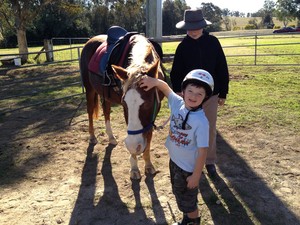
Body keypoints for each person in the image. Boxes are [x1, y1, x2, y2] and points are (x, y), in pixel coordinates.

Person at [139, 69, 214, 225]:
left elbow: (202, 151)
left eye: (199, 94)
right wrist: (154, 82)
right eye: (190, 91)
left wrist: (196, 175)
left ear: (205, 97)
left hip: (188, 169)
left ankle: (193, 221)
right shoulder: (178, 104)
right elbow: (166, 89)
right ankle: (188, 218)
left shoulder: (201, 122)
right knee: (179, 194)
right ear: (183, 91)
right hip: (174, 162)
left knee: (188, 200)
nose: (193, 96)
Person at [170, 9, 229, 177]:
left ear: (203, 26)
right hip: (189, 97)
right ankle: (192, 161)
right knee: (189, 129)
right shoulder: (182, 47)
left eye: (196, 27)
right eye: (189, 27)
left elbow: (222, 68)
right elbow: (176, 72)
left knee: (209, 128)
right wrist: (178, 92)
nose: (193, 31)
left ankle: (209, 161)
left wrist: (223, 92)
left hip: (210, 96)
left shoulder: (213, 43)